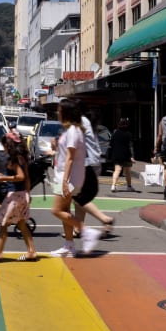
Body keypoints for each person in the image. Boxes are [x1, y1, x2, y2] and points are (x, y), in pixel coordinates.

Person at [0, 132, 38, 262]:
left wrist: (4, 178)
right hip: (22, 194)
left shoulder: (14, 159)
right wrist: (28, 195)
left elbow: (21, 177)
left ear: (9, 146)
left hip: (15, 195)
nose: (4, 149)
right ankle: (31, 252)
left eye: (5, 146)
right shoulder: (22, 158)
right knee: (22, 224)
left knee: (4, 224)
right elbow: (27, 178)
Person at [72, 102, 113, 253]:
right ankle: (78, 229)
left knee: (78, 197)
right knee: (78, 198)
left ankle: (104, 218)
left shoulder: (81, 122)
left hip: (87, 164)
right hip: (91, 163)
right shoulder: (85, 122)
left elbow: (75, 144)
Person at [48, 99, 85, 258]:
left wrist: (64, 181)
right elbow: (66, 155)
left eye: (59, 110)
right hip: (64, 176)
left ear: (66, 112)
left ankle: (84, 230)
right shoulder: (71, 131)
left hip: (67, 178)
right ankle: (69, 246)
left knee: (56, 210)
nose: (58, 113)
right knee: (64, 210)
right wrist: (55, 148)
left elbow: (70, 158)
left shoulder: (73, 132)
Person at [109, 118, 136, 192]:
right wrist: (132, 156)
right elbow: (131, 146)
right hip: (126, 155)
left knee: (117, 170)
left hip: (117, 154)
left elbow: (111, 144)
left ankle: (113, 186)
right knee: (127, 171)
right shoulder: (129, 134)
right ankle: (129, 186)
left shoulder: (115, 133)